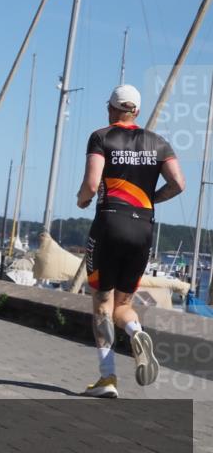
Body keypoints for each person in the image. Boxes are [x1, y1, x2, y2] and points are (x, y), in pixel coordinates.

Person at [76, 84, 185, 398]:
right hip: (143, 228)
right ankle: (135, 331)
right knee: (124, 304)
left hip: (109, 222)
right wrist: (150, 199)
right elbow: (178, 183)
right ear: (136, 111)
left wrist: (83, 200)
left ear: (111, 108)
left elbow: (92, 183)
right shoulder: (158, 143)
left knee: (101, 302)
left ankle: (108, 378)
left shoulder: (101, 136)